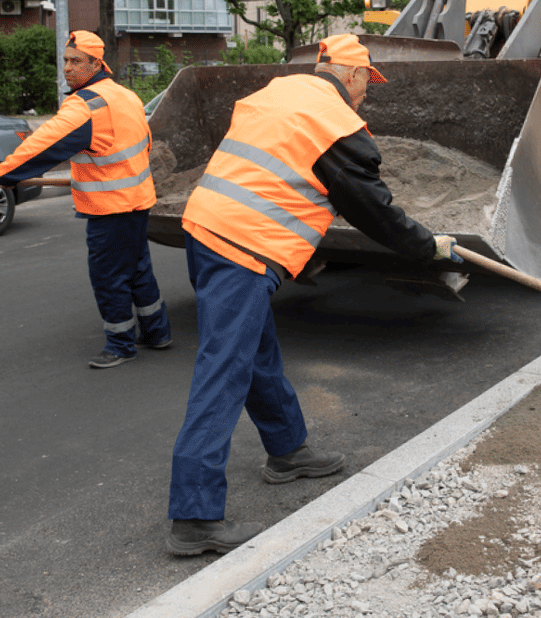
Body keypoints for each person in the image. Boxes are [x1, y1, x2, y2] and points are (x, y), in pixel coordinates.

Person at [166, 33, 465, 557]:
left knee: (255, 352)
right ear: (350, 76)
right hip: (243, 247)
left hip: (206, 227)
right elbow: (372, 210)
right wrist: (429, 247)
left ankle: (287, 451)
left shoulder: (278, 93)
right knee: (224, 371)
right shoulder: (335, 123)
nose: (365, 96)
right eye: (366, 84)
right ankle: (194, 517)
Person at [0, 30, 172, 369]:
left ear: (96, 63)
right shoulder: (125, 96)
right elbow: (143, 144)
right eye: (66, 61)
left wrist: (4, 174)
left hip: (110, 208)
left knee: (108, 276)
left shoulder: (87, 105)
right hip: (137, 200)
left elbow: (44, 144)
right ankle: (157, 332)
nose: (68, 68)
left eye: (76, 61)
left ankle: (120, 345)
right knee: (137, 269)